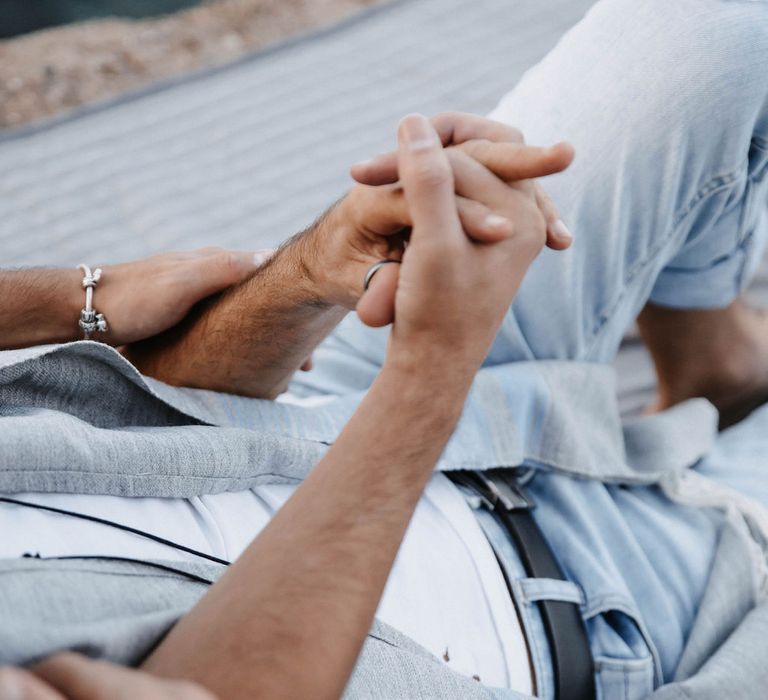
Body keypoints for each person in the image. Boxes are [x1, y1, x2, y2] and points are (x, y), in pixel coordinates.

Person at [2, 0, 768, 698]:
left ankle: (715, 366)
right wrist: (432, 369)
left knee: (711, 30)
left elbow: (156, 424)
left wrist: (306, 270)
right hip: (592, 624)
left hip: (337, 414)